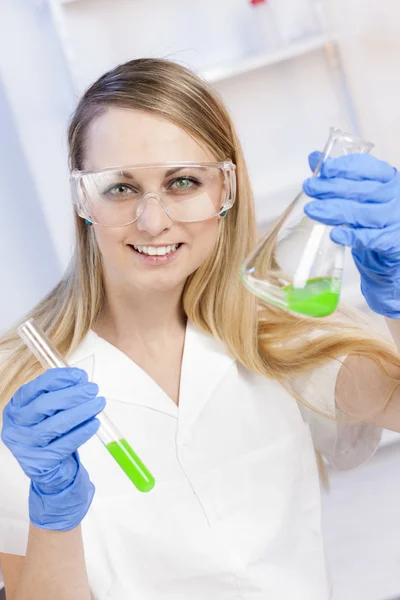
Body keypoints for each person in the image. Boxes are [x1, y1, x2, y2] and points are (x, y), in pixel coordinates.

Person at [1, 58, 400, 600]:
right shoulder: (24, 395)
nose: (153, 220)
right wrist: (53, 516)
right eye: (120, 188)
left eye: (183, 181)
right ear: (82, 199)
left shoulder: (284, 335)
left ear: (225, 190)